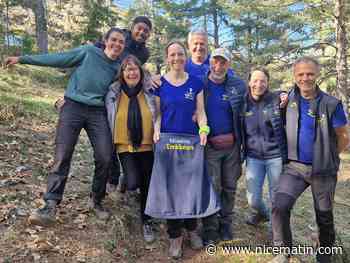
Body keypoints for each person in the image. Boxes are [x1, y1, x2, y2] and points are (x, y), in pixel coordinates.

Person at [4, 27, 126, 226]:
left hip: (97, 112)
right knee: (63, 155)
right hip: (73, 107)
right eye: (114, 40)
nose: (117, 44)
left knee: (105, 156)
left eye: (121, 42)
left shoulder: (118, 67)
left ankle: (96, 200)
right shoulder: (88, 52)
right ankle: (50, 204)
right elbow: (58, 58)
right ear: (105, 40)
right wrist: (22, 58)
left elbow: (134, 79)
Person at [269, 57, 349, 263]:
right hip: (295, 167)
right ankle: (283, 251)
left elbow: (344, 135)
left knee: (324, 216)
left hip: (323, 170)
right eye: (301, 74)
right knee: (279, 205)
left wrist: (330, 156)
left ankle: (324, 256)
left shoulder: (332, 104)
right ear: (294, 77)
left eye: (310, 74)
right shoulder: (289, 100)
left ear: (317, 74)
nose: (305, 78)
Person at [145, 40, 220, 259]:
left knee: (190, 188)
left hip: (191, 144)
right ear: (167, 58)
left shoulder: (196, 83)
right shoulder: (161, 85)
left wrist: (204, 129)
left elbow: (201, 111)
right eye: (172, 55)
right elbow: (157, 114)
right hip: (167, 144)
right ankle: (174, 237)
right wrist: (156, 131)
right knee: (171, 190)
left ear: (185, 57)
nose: (176, 58)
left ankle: (192, 229)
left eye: (180, 54)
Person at [105, 55, 156, 243]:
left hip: (148, 145)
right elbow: (92, 100)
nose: (132, 72)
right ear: (122, 73)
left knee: (146, 185)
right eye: (128, 69)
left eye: (135, 69)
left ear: (140, 72)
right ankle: (125, 180)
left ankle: (147, 220)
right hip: (124, 145)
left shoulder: (150, 90)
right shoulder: (113, 92)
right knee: (133, 182)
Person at [200, 48, 246, 245]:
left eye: (223, 62)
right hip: (210, 146)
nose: (218, 66)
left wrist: (281, 96)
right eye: (215, 61)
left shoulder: (238, 85)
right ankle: (210, 227)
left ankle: (225, 223)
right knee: (212, 186)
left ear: (229, 64)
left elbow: (257, 96)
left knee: (230, 186)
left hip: (233, 147)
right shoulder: (201, 83)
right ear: (210, 62)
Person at [241, 68, 287, 235]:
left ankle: (276, 231)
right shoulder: (243, 102)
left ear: (268, 83)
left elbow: (289, 95)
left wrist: (284, 95)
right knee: (252, 199)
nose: (258, 84)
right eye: (255, 80)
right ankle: (262, 214)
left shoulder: (275, 99)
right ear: (249, 82)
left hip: (275, 156)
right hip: (253, 157)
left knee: (276, 196)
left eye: (263, 81)